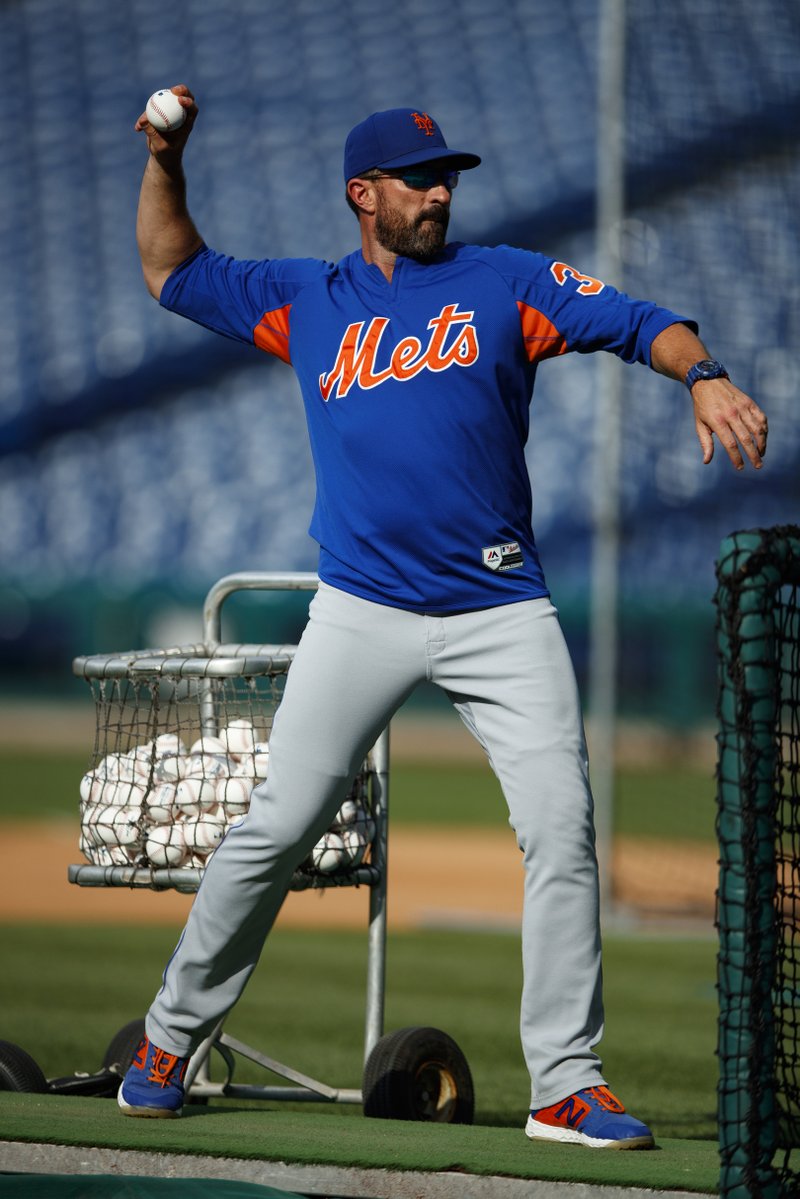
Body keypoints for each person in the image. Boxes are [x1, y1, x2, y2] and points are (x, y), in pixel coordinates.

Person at [118, 86, 768, 1148]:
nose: (439, 192)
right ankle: (166, 1035)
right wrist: (166, 162)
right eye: (419, 179)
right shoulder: (306, 297)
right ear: (360, 195)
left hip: (498, 605)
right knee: (275, 824)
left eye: (447, 176)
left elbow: (639, 320)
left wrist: (701, 375)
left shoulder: (504, 280)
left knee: (560, 827)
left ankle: (564, 1083)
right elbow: (169, 270)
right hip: (359, 606)